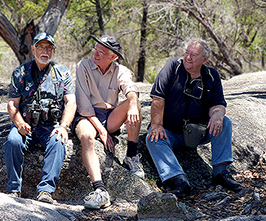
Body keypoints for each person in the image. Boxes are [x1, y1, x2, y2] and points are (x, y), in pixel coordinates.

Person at [146, 38, 241, 198]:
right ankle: (178, 180)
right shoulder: (172, 67)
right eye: (186, 53)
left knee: (224, 123)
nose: (188, 58)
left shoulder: (212, 75)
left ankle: (220, 173)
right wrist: (156, 125)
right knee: (153, 138)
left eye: (193, 55)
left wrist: (217, 114)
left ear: (205, 59)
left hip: (199, 132)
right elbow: (158, 98)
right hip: (170, 132)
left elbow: (218, 104)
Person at [4, 32, 76, 204]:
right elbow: (12, 104)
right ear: (33, 49)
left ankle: (45, 191)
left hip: (50, 125)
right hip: (25, 124)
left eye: (49, 48)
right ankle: (13, 190)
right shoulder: (20, 72)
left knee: (58, 142)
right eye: (41, 47)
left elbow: (71, 102)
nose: (45, 51)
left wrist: (64, 126)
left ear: (53, 50)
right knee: (13, 141)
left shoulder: (62, 72)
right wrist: (19, 123)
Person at [72, 34, 143, 209]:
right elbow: (84, 105)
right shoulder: (83, 66)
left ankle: (131, 156)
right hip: (87, 116)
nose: (96, 54)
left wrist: (133, 104)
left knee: (135, 102)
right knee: (87, 137)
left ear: (113, 57)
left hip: (109, 116)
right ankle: (100, 190)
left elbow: (129, 87)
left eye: (101, 52)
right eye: (96, 50)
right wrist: (102, 131)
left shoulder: (121, 70)